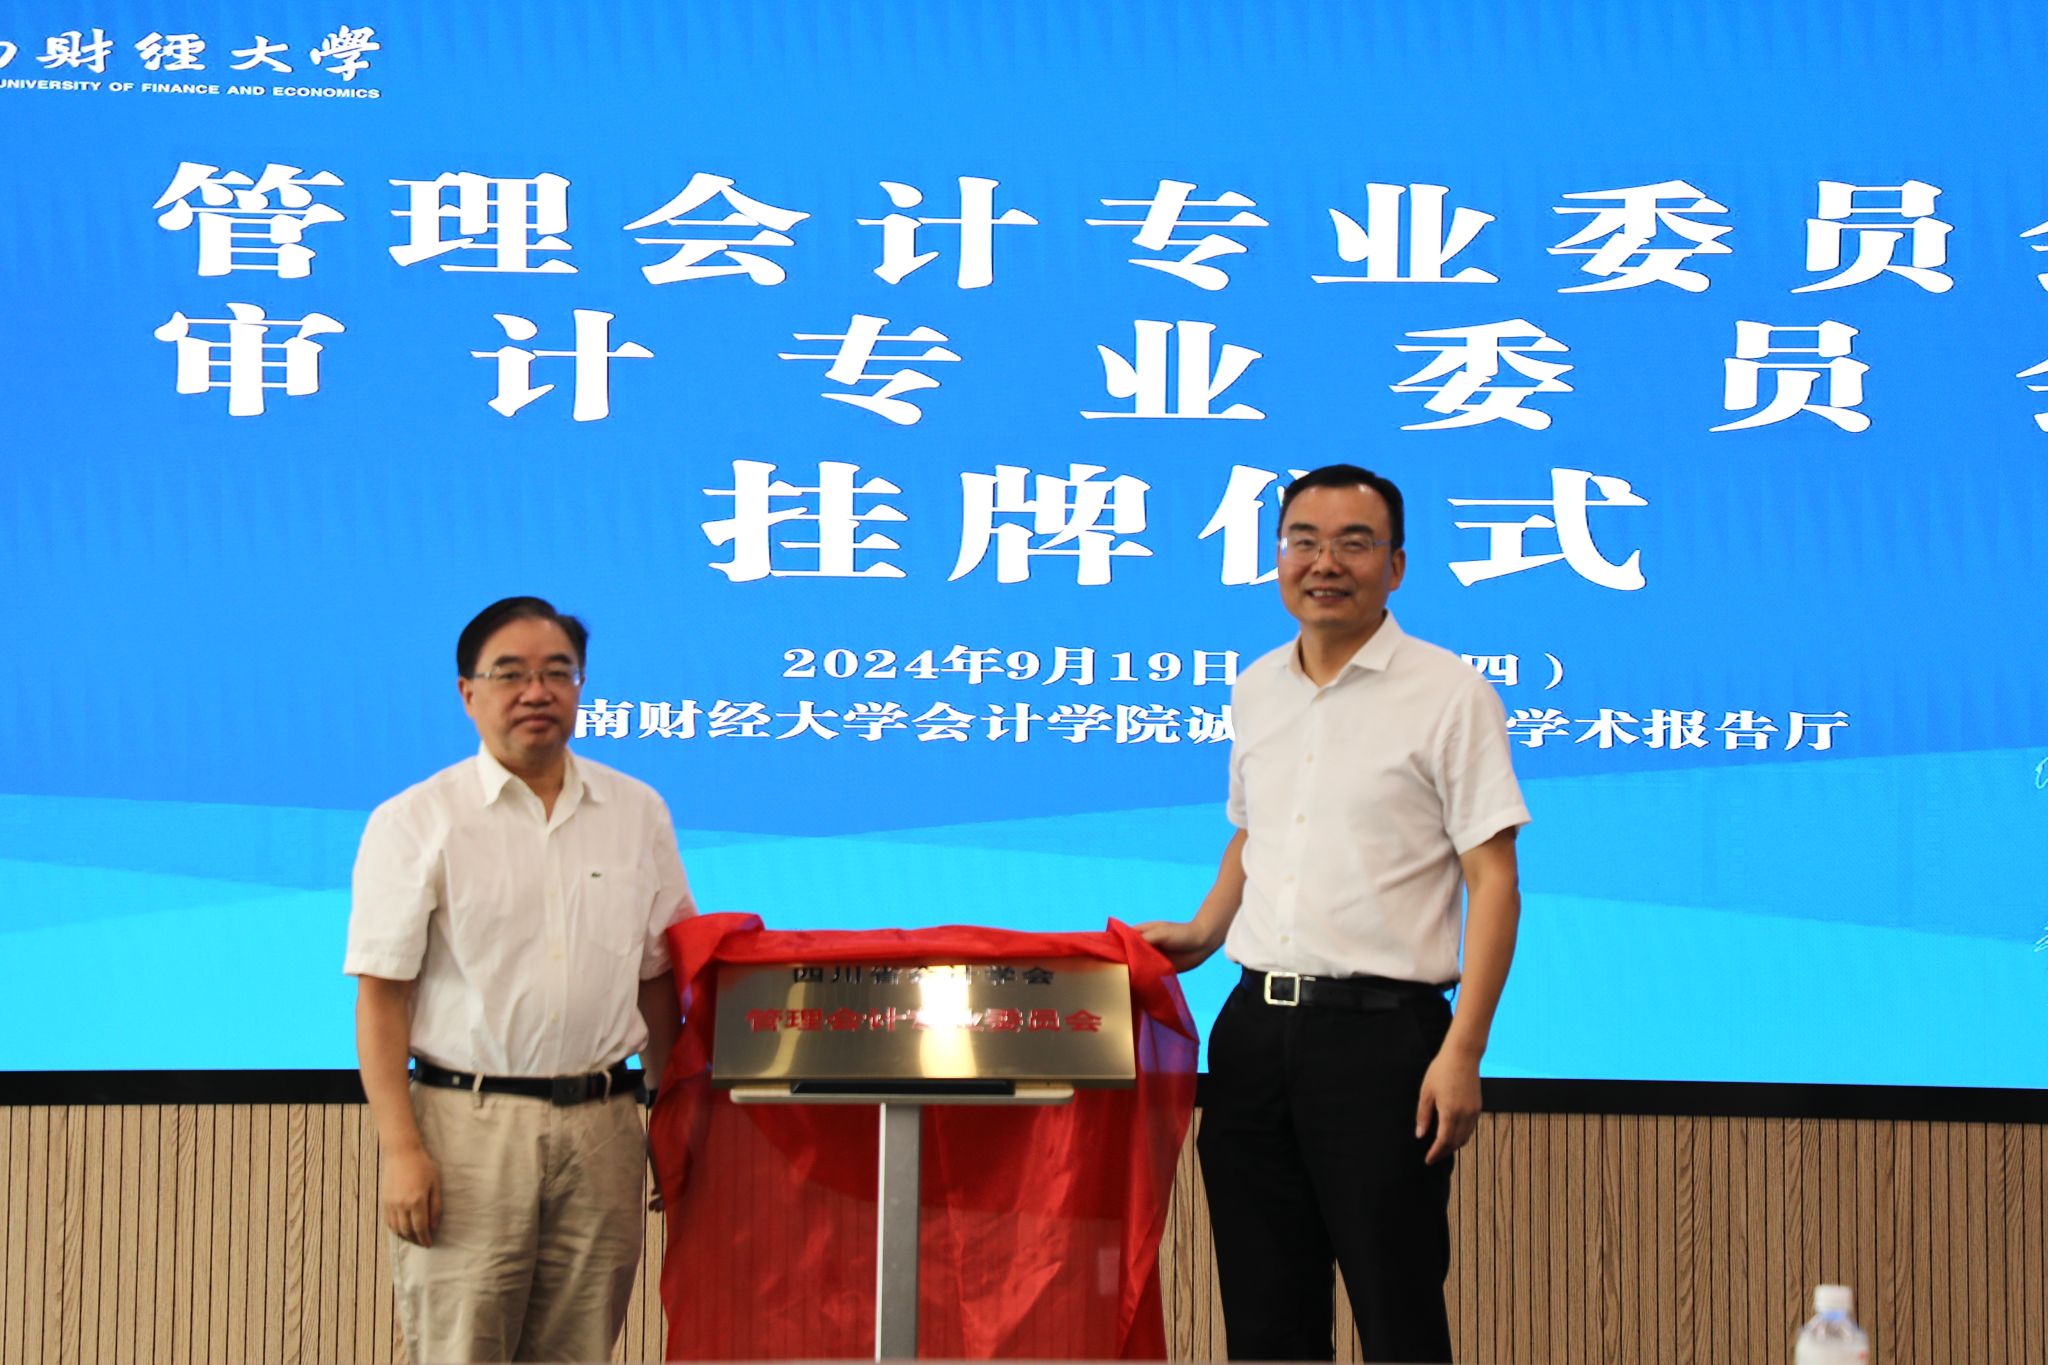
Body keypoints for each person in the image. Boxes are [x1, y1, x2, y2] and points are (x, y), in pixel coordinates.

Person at [1140, 465, 1528, 1363]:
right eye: (1303, 541)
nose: (1325, 562)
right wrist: (1204, 930)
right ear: (1279, 556)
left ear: (1397, 565)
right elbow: (1255, 831)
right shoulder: (1256, 688)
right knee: (1264, 1321)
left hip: (1383, 1045)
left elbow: (1495, 879)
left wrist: (1463, 1050)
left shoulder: (1449, 692)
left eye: (1354, 543)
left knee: (1398, 1316)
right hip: (1252, 1034)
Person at [345, 596, 695, 1364]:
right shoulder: (414, 820)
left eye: (557, 673)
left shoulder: (636, 811)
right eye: (510, 674)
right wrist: (400, 1149)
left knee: (581, 1347)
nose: (536, 691)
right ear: (468, 692)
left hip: (604, 1126)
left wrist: (671, 1124)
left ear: (580, 686)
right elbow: (382, 998)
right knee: (462, 1347)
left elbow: (656, 982)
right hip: (467, 1130)